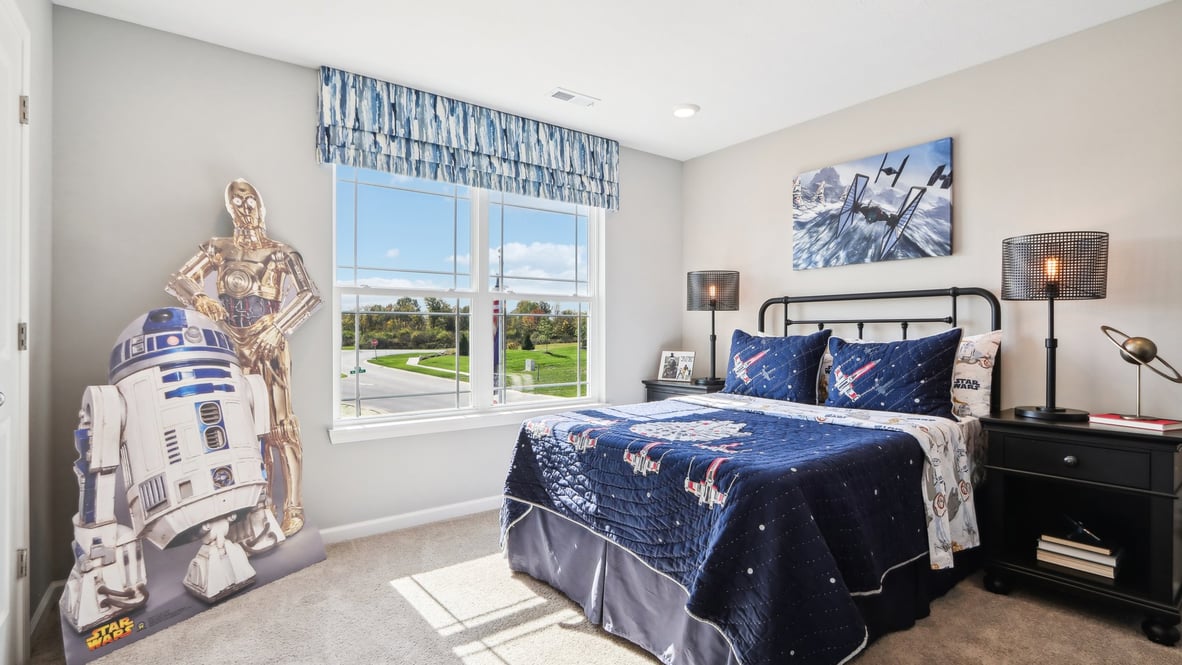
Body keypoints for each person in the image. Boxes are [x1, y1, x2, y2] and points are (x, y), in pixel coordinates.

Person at [167, 179, 321, 536]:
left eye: (250, 200)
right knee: (243, 426)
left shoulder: (281, 252)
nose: (244, 208)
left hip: (268, 340)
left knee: (282, 425)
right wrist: (199, 298)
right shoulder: (217, 249)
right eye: (236, 202)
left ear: (260, 205)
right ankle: (257, 503)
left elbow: (309, 295)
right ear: (230, 208)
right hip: (229, 340)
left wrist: (277, 327)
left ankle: (293, 506)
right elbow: (181, 279)